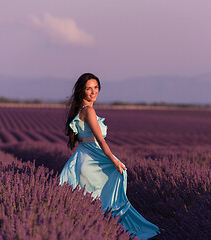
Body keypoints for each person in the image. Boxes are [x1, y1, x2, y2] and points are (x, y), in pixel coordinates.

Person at [59, 73, 160, 239]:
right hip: (92, 162)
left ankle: (91, 233)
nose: (93, 92)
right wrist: (113, 160)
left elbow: (86, 141)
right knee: (105, 200)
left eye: (96, 88)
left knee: (91, 202)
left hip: (83, 159)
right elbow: (100, 140)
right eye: (88, 89)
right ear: (81, 91)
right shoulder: (89, 110)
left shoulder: (81, 109)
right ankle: (113, 232)